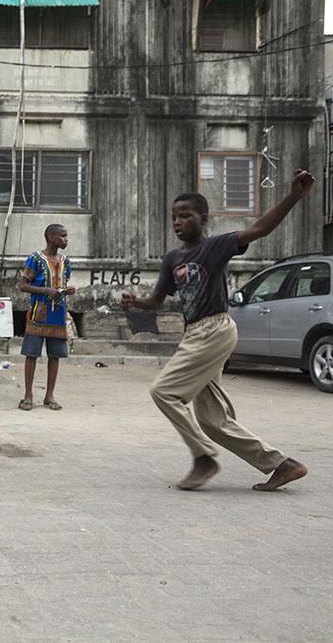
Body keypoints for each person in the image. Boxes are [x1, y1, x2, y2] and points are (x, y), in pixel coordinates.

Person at [122, 170, 315, 491]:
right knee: (213, 421)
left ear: (204, 218)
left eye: (186, 215)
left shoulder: (216, 247)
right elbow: (157, 301)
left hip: (216, 329)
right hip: (194, 333)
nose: (178, 222)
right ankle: (282, 464)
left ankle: (203, 457)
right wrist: (136, 302)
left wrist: (294, 195)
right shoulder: (172, 258)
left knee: (163, 391)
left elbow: (260, 228)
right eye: (174, 217)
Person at [17, 224, 77, 411]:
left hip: (58, 314)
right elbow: (23, 285)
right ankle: (28, 395)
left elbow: (61, 283)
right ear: (52, 237)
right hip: (39, 312)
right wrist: (46, 290)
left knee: (55, 355)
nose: (66, 239)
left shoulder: (65, 261)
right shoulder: (35, 259)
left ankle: (49, 396)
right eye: (63, 236)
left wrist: (66, 291)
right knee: (32, 354)